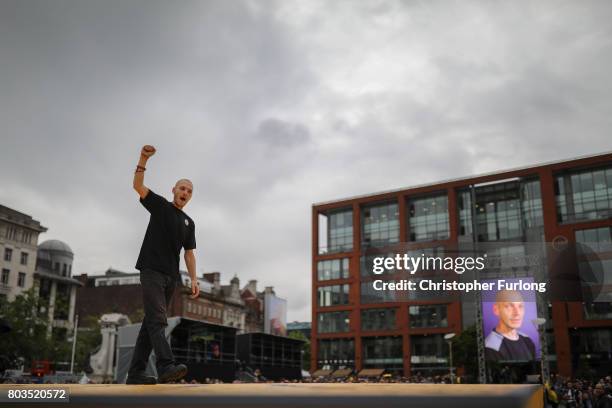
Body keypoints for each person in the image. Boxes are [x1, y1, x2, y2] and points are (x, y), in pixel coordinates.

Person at [125, 145, 200, 384]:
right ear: (174, 190)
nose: (185, 192)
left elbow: (189, 253)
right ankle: (166, 365)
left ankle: (136, 373)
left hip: (171, 277)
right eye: (182, 188)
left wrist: (194, 278)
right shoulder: (160, 206)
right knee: (158, 319)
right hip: (151, 270)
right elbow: (137, 186)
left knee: (150, 325)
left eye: (189, 190)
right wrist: (143, 159)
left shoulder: (189, 222)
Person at [485, 289, 536, 362]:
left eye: (520, 306)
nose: (517, 313)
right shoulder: (491, 347)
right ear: (496, 310)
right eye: (509, 306)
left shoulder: (527, 341)